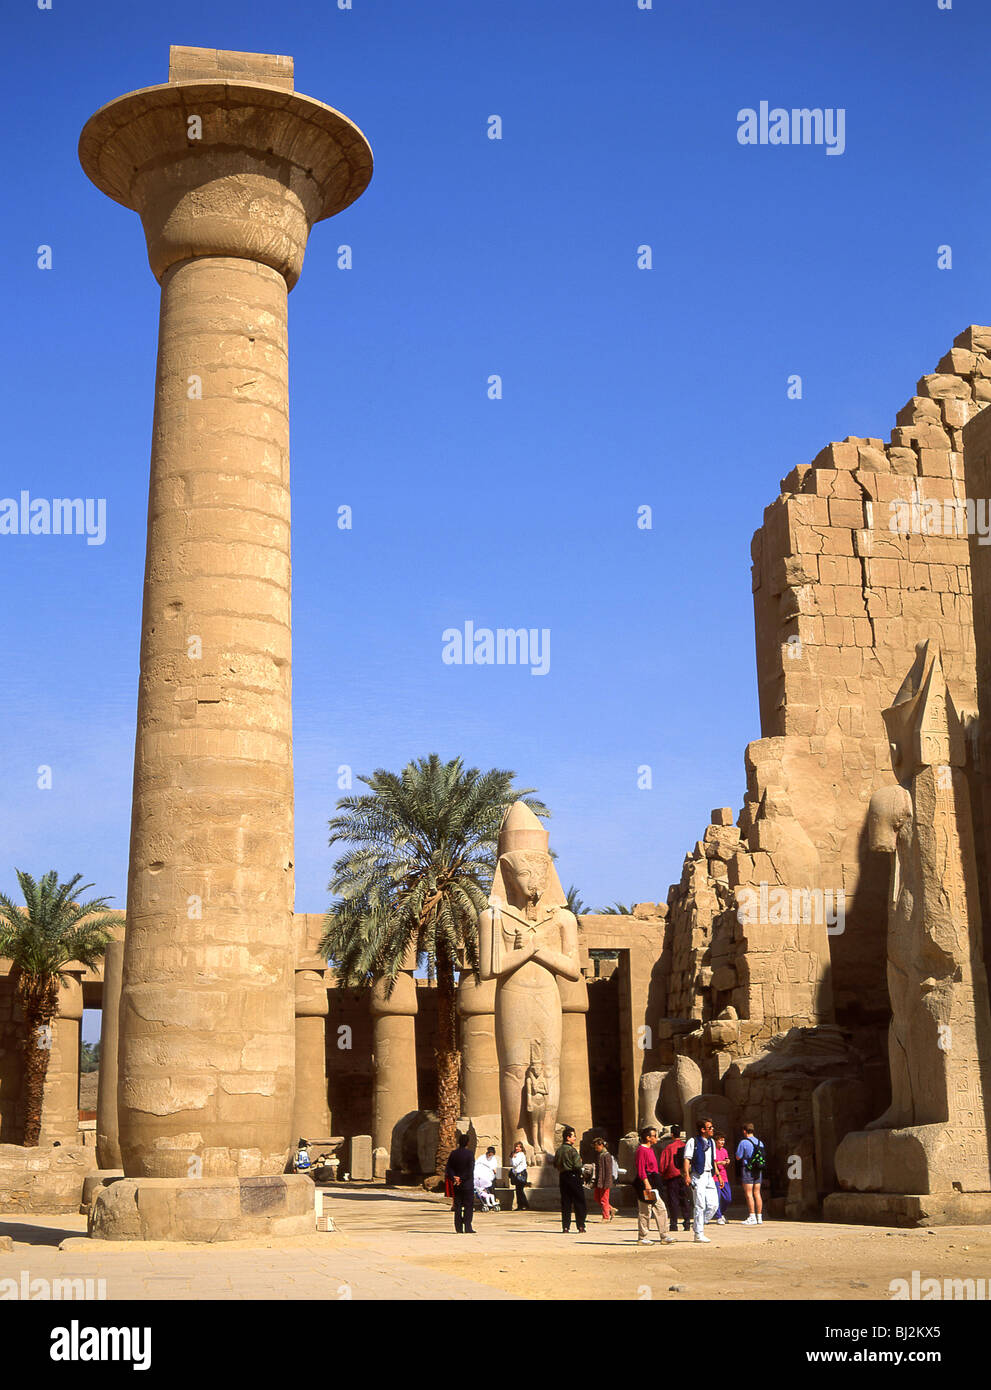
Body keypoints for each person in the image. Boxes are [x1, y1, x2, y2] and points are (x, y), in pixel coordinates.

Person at [634, 1125, 675, 1245]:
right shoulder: (641, 1150)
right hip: (646, 1182)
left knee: (660, 1208)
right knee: (645, 1210)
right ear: (648, 1137)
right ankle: (642, 1237)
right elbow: (641, 1168)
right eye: (654, 1136)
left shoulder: (651, 1149)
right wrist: (646, 1183)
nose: (656, 1138)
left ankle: (664, 1235)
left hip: (654, 1182)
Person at [683, 1116, 720, 1243]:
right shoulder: (692, 1142)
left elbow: (713, 1160)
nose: (712, 1129)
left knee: (714, 1204)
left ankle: (699, 1224)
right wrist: (687, 1175)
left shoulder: (712, 1143)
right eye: (710, 1128)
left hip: (710, 1175)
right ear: (703, 1129)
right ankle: (698, 1233)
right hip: (698, 1175)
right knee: (700, 1204)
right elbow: (687, 1158)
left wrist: (718, 1175)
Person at [554, 1125, 587, 1233]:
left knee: (566, 1203)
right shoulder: (572, 1151)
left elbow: (555, 1164)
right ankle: (581, 1226)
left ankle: (566, 1227)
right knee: (579, 1202)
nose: (575, 1138)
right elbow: (577, 1166)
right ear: (567, 1137)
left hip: (563, 1177)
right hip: (573, 1176)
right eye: (573, 1136)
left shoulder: (559, 1151)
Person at [658, 1125, 691, 1232]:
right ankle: (687, 1223)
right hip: (684, 1176)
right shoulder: (685, 1146)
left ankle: (674, 1224)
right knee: (685, 1200)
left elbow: (663, 1165)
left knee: (673, 1201)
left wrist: (662, 1175)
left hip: (672, 1177)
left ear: (672, 1134)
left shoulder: (668, 1148)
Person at [445, 1133, 476, 1233]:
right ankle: (467, 1226)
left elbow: (449, 1168)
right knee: (468, 1206)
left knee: (457, 1206)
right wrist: (461, 1178)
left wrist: (455, 1178)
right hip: (466, 1184)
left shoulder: (453, 1154)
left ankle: (458, 1228)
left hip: (456, 1184)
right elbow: (470, 1170)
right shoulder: (470, 1154)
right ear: (467, 1142)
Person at [736, 1122, 765, 1225]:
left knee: (749, 1193)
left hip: (747, 1169)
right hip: (758, 1169)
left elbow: (738, 1157)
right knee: (757, 1193)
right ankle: (759, 1217)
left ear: (744, 1131)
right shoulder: (760, 1142)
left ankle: (752, 1216)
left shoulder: (743, 1142)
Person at [592, 1137, 615, 1222]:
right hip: (600, 1181)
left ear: (601, 1145)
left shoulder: (607, 1155)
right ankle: (610, 1209)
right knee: (597, 1197)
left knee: (604, 1199)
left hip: (605, 1182)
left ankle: (606, 1217)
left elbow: (609, 1170)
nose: (595, 1148)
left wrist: (607, 1183)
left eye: (596, 1146)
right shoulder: (600, 1155)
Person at [475, 1145, 501, 1211]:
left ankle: (493, 1203)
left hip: (490, 1177)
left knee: (491, 1191)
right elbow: (477, 1165)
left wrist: (498, 1176)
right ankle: (485, 1203)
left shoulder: (494, 1159)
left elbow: (495, 1168)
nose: (490, 1155)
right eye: (489, 1153)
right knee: (483, 1191)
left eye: (492, 1154)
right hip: (481, 1176)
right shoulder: (482, 1158)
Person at [714, 1132, 732, 1224]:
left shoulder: (724, 1150)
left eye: (723, 1140)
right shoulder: (713, 1151)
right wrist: (720, 1163)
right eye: (720, 1140)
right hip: (716, 1177)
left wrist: (727, 1161)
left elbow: (726, 1159)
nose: (722, 1142)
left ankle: (722, 1212)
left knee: (728, 1197)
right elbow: (713, 1163)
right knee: (717, 1196)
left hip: (725, 1176)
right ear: (716, 1141)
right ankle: (719, 1216)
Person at [509, 1141, 530, 1210]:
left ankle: (524, 1204)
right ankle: (521, 1205)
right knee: (518, 1190)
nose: (517, 1148)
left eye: (519, 1147)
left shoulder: (521, 1155)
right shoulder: (515, 1154)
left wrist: (513, 1158)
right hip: (516, 1174)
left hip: (521, 1173)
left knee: (520, 1190)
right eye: (516, 1146)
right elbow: (511, 1164)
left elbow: (515, 1164)